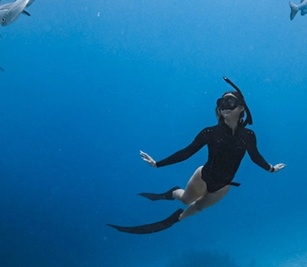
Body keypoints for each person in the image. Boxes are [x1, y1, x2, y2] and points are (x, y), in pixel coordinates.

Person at [107, 77, 285, 234]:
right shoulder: (210, 133)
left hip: (224, 186)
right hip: (203, 177)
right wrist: (157, 164)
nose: (224, 107)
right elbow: (186, 152)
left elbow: (255, 156)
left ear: (241, 108)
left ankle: (176, 220)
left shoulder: (248, 136)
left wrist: (271, 169)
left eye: (229, 103)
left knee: (199, 206)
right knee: (186, 199)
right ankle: (174, 192)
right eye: (221, 103)